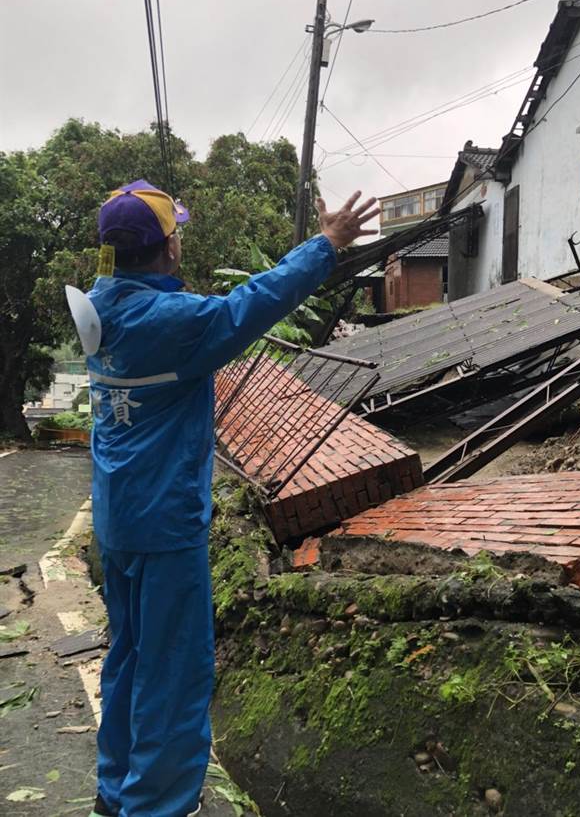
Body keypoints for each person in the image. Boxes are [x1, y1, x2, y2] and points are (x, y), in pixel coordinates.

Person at [83, 179, 379, 817]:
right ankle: (156, 807)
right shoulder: (176, 323)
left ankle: (116, 793)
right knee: (175, 673)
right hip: (165, 527)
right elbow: (255, 301)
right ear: (169, 246)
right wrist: (327, 243)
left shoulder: (99, 309)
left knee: (129, 657)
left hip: (118, 520)